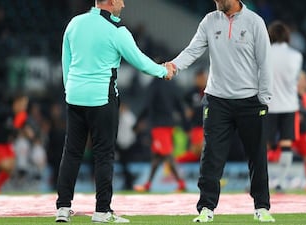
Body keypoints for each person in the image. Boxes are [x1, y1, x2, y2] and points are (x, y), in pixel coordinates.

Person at [55, 0, 175, 223]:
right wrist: (162, 71)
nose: (124, 4)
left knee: (71, 152)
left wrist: (69, 89)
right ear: (110, 1)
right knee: (104, 154)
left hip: (74, 96)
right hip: (102, 98)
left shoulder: (74, 23)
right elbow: (139, 61)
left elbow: (66, 61)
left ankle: (62, 208)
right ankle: (102, 211)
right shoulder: (117, 30)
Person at [170, 0, 274, 222]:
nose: (215, 2)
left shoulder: (255, 22)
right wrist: (174, 65)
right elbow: (193, 50)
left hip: (250, 101)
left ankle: (262, 207)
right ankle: (206, 208)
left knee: (257, 155)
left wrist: (264, 99)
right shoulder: (209, 20)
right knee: (211, 155)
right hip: (217, 100)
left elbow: (265, 62)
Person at [266, 21, 303, 192]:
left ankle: (259, 181)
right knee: (286, 144)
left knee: (263, 145)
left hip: (269, 104)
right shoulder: (296, 56)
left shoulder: (265, 53)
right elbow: (294, 80)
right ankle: (281, 181)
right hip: (289, 105)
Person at [133, 78, 187, 193]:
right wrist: (185, 123)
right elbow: (179, 105)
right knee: (156, 156)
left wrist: (137, 122)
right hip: (169, 124)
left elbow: (147, 105)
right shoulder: (172, 84)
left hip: (158, 125)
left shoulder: (154, 84)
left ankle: (181, 184)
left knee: (167, 154)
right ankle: (148, 184)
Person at [0, 93, 29, 194]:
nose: (25, 107)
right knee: (5, 166)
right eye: (23, 104)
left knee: (11, 168)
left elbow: (16, 129)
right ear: (17, 102)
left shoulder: (19, 116)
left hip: (6, 144)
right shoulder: (4, 111)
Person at [176, 69, 208, 163]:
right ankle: (176, 162)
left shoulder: (211, 92)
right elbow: (184, 111)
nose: (201, 80)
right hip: (197, 127)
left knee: (206, 151)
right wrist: (187, 127)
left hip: (210, 126)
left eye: (203, 78)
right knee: (198, 151)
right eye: (199, 78)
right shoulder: (190, 94)